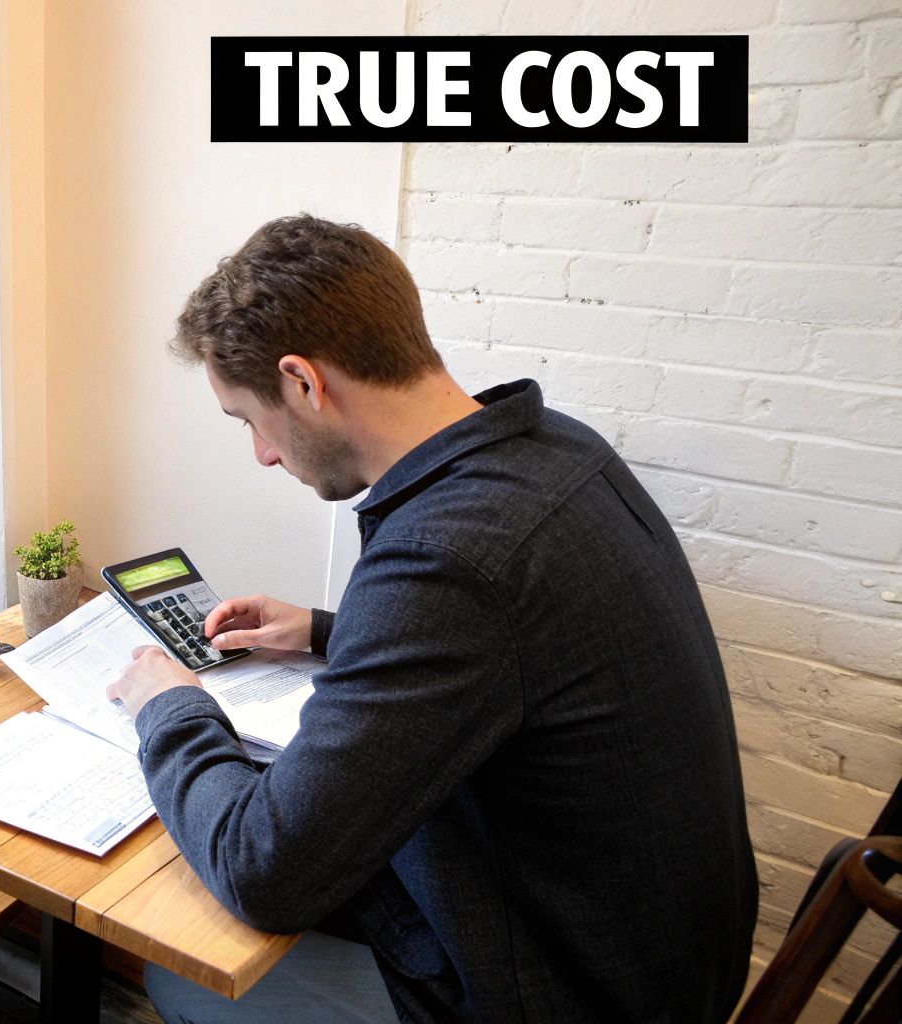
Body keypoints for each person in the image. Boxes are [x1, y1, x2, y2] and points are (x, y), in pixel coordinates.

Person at [106, 215, 757, 1023]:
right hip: (666, 957)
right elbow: (515, 650)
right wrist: (325, 631)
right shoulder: (555, 449)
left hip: (576, 994)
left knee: (184, 976)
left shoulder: (447, 559)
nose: (264, 455)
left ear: (303, 383)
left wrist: (170, 707)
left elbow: (261, 870)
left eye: (249, 420)